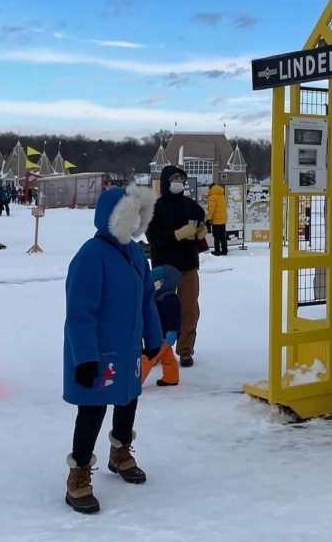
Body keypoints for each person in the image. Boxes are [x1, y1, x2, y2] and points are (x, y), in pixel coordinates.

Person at [63, 184, 162, 515]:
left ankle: (120, 453)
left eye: (138, 213)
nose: (134, 219)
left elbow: (147, 300)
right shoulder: (91, 256)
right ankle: (78, 473)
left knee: (128, 398)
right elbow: (80, 312)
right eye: (128, 213)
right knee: (92, 408)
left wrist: (154, 337)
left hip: (128, 350)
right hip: (99, 353)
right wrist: (85, 357)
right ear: (113, 217)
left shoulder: (135, 254)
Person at [145, 165, 206, 368]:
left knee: (189, 308)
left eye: (181, 178)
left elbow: (201, 220)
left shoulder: (191, 206)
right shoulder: (155, 208)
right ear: (165, 181)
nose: (178, 182)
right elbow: (152, 238)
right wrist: (176, 234)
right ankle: (158, 349)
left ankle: (185, 350)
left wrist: (201, 232)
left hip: (189, 264)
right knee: (160, 308)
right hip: (164, 267)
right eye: (174, 178)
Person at [141, 265, 182, 387]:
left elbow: (174, 316)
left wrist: (172, 331)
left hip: (163, 336)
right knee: (167, 357)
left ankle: (135, 381)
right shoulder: (158, 297)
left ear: (164, 283)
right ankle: (171, 377)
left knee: (148, 358)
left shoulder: (169, 298)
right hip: (159, 334)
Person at [206, 182, 228, 256]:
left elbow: (211, 210)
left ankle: (217, 251)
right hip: (223, 219)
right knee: (223, 236)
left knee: (216, 236)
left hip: (216, 220)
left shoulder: (212, 196)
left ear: (211, 188)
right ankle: (224, 250)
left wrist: (208, 219)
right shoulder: (221, 195)